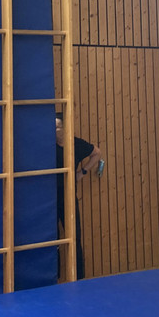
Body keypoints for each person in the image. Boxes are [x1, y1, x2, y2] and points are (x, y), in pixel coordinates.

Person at [55, 113, 103, 279]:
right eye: (52, 127)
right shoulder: (46, 145)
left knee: (74, 236)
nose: (55, 131)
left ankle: (79, 277)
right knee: (52, 238)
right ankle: (53, 276)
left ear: (64, 128)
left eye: (58, 127)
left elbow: (96, 153)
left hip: (68, 195)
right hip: (49, 198)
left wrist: (82, 172)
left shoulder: (75, 144)